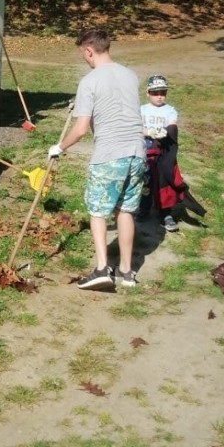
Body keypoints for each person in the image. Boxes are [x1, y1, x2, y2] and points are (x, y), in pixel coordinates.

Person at [48, 27, 145, 290]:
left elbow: (80, 129)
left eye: (84, 54)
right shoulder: (130, 74)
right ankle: (126, 272)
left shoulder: (89, 82)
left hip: (109, 156)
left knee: (98, 212)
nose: (84, 58)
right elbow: (114, 103)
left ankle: (102, 268)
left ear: (89, 50)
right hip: (137, 154)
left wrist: (59, 147)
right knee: (125, 210)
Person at [140, 74, 181, 232]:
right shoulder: (141, 110)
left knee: (164, 182)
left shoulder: (170, 110)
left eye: (163, 92)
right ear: (148, 93)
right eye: (155, 93)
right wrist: (148, 131)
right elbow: (135, 128)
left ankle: (165, 213)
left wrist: (165, 132)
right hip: (145, 151)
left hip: (163, 152)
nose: (159, 96)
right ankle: (143, 209)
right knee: (145, 182)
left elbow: (171, 125)